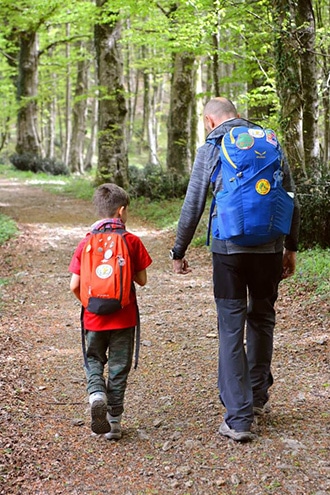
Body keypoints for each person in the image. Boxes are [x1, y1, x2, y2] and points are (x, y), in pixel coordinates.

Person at [170, 97, 300, 442]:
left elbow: (194, 202)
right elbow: (289, 195)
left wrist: (179, 250)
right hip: (270, 248)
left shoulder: (212, 146)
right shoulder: (269, 142)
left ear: (210, 121)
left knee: (230, 326)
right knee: (262, 317)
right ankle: (257, 398)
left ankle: (239, 419)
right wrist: (291, 247)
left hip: (228, 250)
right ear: (236, 114)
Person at [69, 183, 152, 440]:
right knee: (118, 367)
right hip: (123, 317)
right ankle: (113, 422)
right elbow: (142, 280)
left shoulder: (86, 242)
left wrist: (88, 304)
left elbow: (74, 285)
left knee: (93, 359)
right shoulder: (131, 241)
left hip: (93, 318)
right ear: (122, 210)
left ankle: (96, 394)